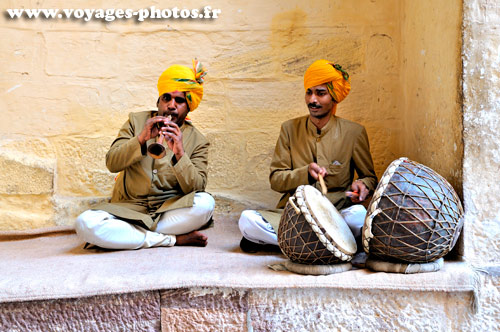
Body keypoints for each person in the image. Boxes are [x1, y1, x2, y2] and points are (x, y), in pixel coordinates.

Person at [238, 59, 378, 252]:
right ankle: (327, 246)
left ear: (334, 97)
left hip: (335, 213)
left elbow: (369, 178)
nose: (313, 100)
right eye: (309, 92)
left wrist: (362, 186)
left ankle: (292, 244)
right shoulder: (289, 129)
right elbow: (276, 180)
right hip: (296, 215)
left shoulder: (354, 133)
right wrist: (305, 173)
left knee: (358, 215)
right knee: (247, 220)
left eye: (321, 94)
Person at [75, 60, 215, 249]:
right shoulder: (135, 121)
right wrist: (140, 138)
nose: (171, 106)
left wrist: (180, 153)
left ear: (188, 107)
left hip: (169, 210)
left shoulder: (198, 140)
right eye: (166, 98)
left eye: (179, 101)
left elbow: (197, 187)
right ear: (158, 102)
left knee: (206, 204)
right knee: (85, 223)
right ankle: (171, 239)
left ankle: (130, 235)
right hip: (129, 209)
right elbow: (112, 163)